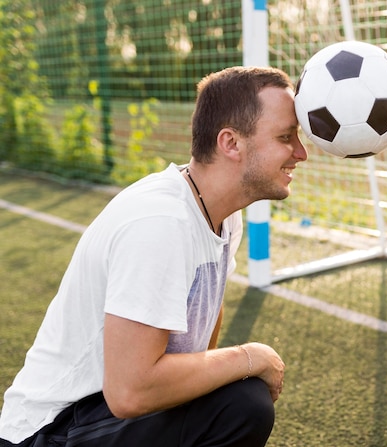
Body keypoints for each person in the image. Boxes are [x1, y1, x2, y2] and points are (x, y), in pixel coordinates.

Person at [0, 66, 308, 446]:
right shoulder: (160, 223)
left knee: (229, 397)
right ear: (230, 143)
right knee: (242, 404)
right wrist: (252, 356)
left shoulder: (222, 214)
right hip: (47, 432)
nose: (301, 153)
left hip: (99, 416)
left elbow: (203, 331)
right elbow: (130, 392)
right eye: (285, 137)